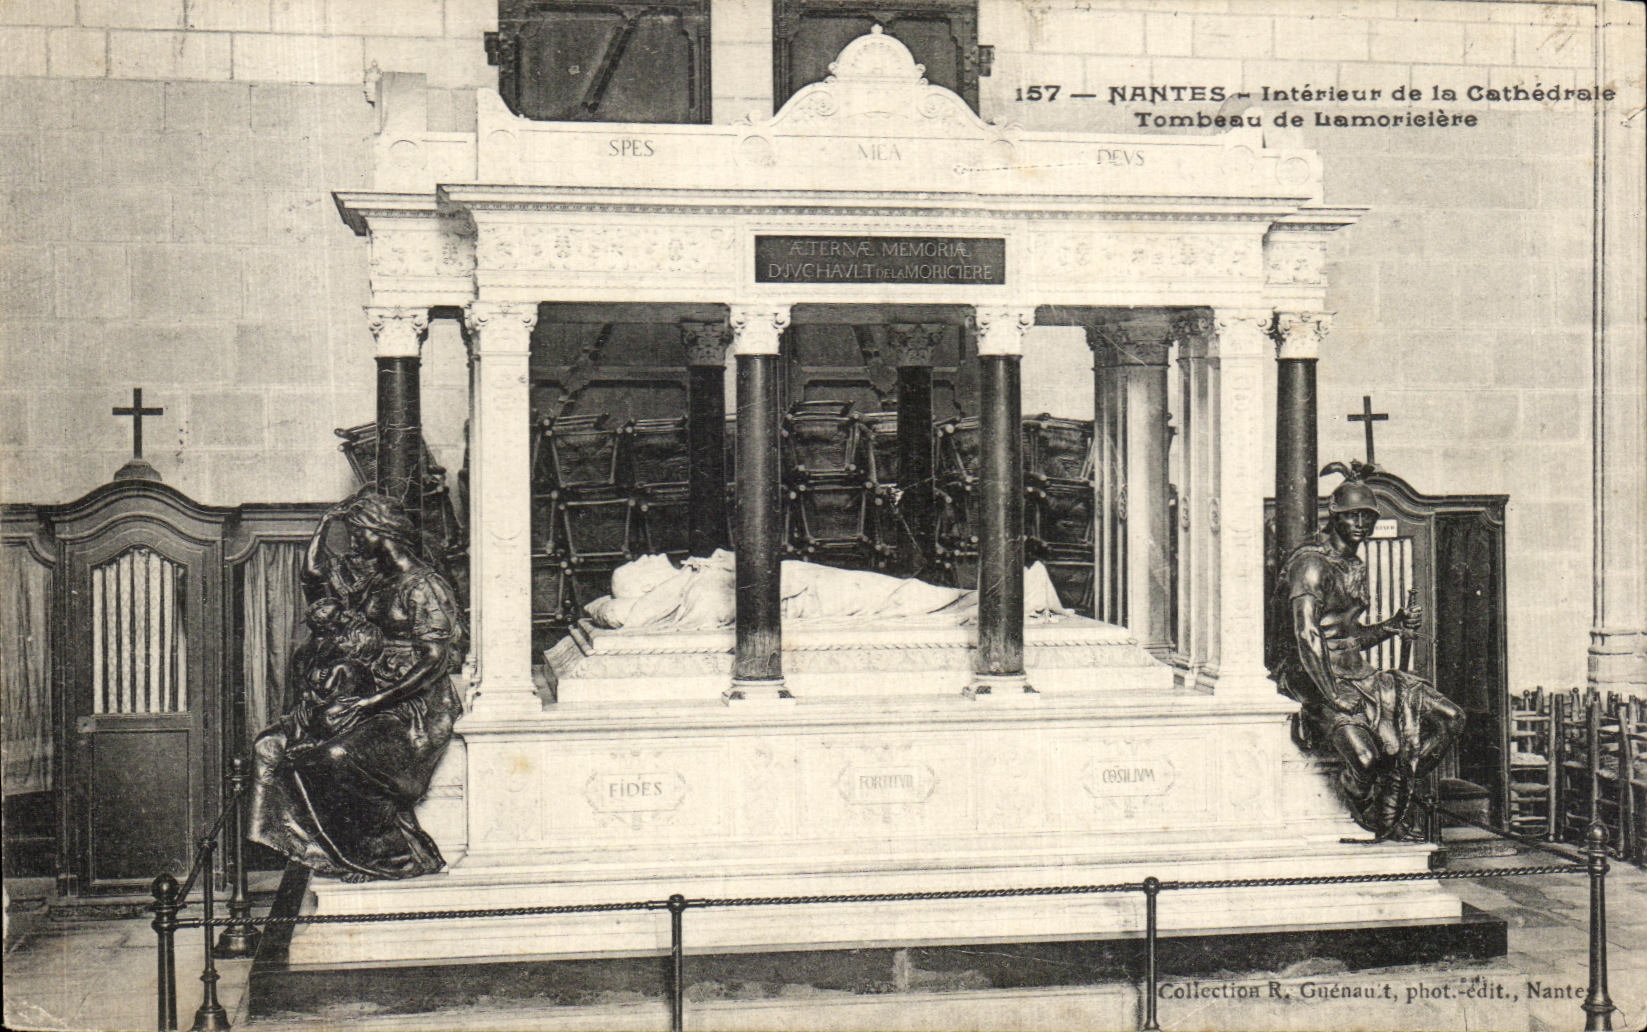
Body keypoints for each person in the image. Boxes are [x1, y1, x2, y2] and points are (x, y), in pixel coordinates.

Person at [249, 491, 467, 881]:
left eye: (356, 533)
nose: (352, 543)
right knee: (269, 746)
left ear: (379, 531)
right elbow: (314, 578)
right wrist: (324, 525)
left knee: (333, 758)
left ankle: (393, 856)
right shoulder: (374, 582)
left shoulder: (424, 586)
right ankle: (316, 850)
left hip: (414, 706)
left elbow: (434, 660)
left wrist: (371, 703)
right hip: (361, 691)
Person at [1274, 464, 1465, 842]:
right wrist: (1332, 693)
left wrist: (1391, 625)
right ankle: (1375, 812)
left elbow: (1348, 638)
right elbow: (1307, 636)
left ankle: (1396, 787)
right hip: (1317, 680)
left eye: (1368, 516)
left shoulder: (1353, 564)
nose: (1361, 523)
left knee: (1451, 718)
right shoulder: (1311, 565)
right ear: (1335, 515)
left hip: (1361, 674)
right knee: (1365, 759)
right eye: (1353, 515)